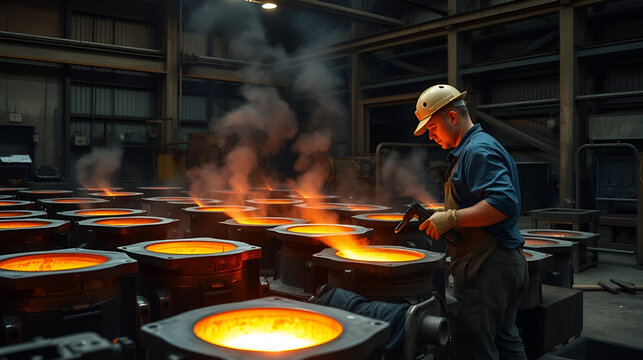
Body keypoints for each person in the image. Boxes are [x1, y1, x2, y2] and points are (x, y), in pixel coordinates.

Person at [414, 84, 529, 359]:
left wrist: (452, 218)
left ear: (453, 117)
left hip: (488, 268)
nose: (431, 136)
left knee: (475, 347)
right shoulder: (475, 148)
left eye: (433, 128)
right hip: (503, 262)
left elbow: (503, 203)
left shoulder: (476, 152)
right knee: (504, 339)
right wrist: (443, 217)